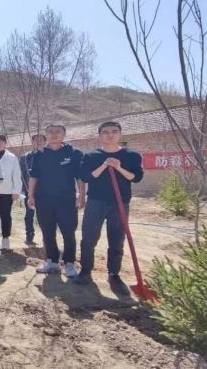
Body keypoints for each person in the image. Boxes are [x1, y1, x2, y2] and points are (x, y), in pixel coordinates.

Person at [75, 121, 144, 295]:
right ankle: (85, 270)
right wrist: (105, 165)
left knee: (117, 239)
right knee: (89, 238)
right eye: (105, 132)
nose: (110, 135)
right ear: (100, 135)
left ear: (120, 134)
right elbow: (86, 177)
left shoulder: (131, 155)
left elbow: (136, 177)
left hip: (120, 202)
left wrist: (118, 167)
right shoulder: (91, 156)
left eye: (114, 131)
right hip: (95, 202)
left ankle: (114, 274)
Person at [27, 125, 85, 278]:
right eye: (50, 132)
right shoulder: (39, 155)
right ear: (45, 135)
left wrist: (82, 195)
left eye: (58, 131)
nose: (54, 134)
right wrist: (31, 195)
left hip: (66, 199)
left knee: (68, 231)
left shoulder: (74, 153)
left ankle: (69, 263)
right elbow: (34, 176)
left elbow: (79, 177)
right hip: (43, 199)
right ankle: (51, 261)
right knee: (47, 230)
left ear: (64, 134)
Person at [0, 134, 22, 252]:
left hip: (7, 192)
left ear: (5, 143)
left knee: (6, 216)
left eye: (1, 141)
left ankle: (5, 238)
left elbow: (16, 175)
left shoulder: (12, 157)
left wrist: (16, 191)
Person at [19, 134, 46, 246]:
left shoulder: (48, 155)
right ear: (32, 142)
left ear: (45, 142)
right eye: (36, 140)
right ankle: (29, 234)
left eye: (41, 140)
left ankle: (46, 236)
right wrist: (22, 189)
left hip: (45, 190)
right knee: (29, 213)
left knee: (45, 214)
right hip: (28, 190)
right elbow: (21, 174)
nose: (38, 142)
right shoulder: (25, 157)